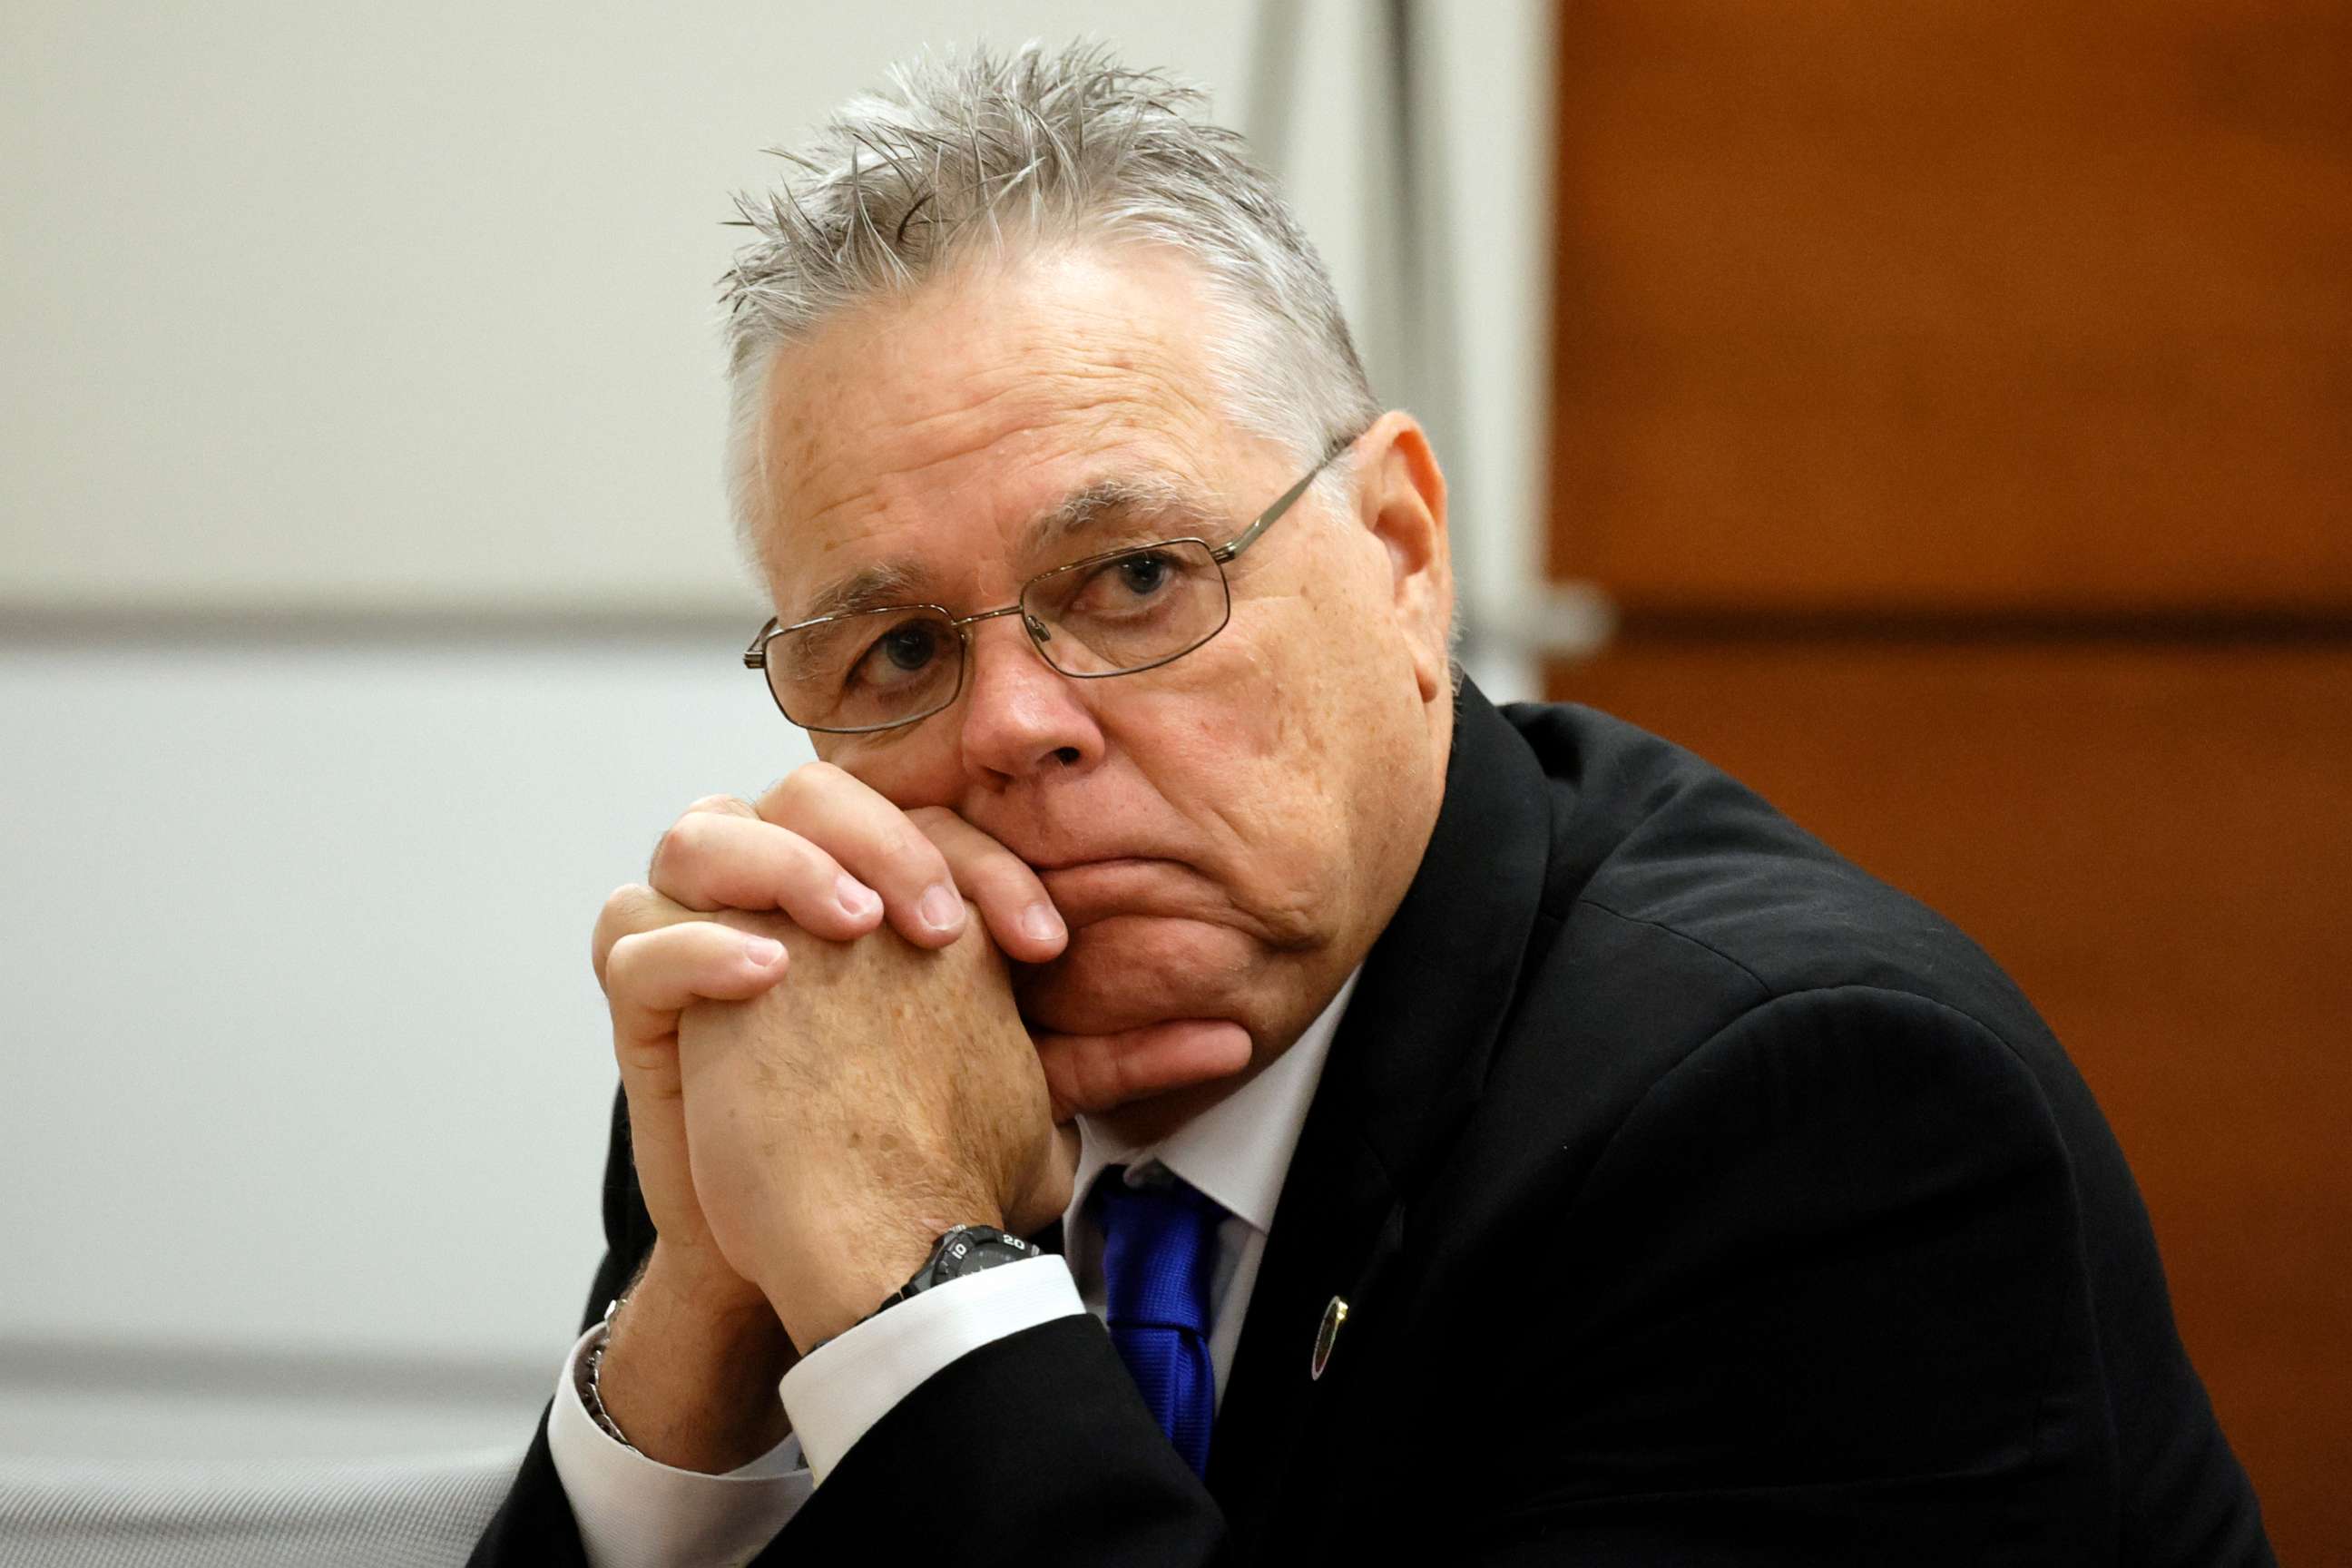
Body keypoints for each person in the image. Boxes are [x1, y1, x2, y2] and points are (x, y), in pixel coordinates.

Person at [470, 42, 2273, 1568]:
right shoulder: (827, 1057)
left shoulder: (1810, 1114)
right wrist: (697, 1316)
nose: (1012, 731)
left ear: (1402, 554)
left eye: (1132, 579)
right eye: (899, 655)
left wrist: (915, 1291)